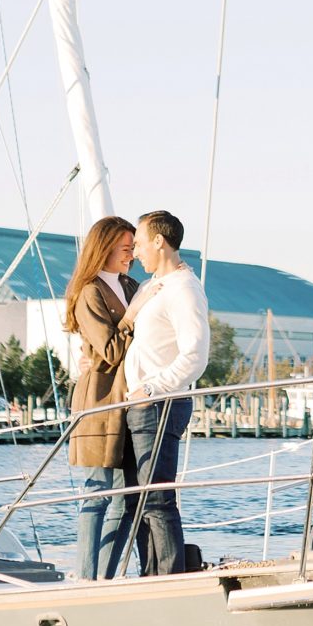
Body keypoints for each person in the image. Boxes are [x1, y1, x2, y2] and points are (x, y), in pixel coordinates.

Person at [123, 210, 211, 575]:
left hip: (159, 403)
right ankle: (150, 574)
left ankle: (169, 577)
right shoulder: (150, 288)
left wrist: (152, 387)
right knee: (138, 499)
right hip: (141, 404)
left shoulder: (184, 288)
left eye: (140, 243)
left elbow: (196, 354)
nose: (136, 252)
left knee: (157, 498)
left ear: (159, 241)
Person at [65, 215, 145, 579]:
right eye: (126, 249)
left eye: (133, 249)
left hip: (129, 398)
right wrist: (135, 313)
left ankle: (105, 577)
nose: (132, 256)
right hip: (99, 401)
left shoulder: (132, 285)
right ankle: (86, 576)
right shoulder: (90, 292)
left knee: (126, 497)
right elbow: (111, 349)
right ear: (106, 248)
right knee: (96, 492)